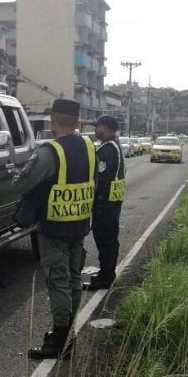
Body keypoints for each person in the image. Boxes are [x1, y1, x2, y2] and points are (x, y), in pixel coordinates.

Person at [12, 98, 96, 360]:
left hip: (55, 228)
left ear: (52, 121)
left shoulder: (50, 152)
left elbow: (22, 185)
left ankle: (60, 342)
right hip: (79, 224)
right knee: (72, 280)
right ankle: (67, 333)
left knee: (58, 283)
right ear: (78, 121)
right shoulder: (89, 146)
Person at [85, 115, 125, 290]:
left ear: (106, 127)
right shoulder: (114, 146)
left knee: (105, 241)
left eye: (98, 126)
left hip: (105, 203)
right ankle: (107, 274)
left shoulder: (107, 149)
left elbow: (101, 178)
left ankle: (105, 278)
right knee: (109, 240)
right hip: (112, 202)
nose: (95, 130)